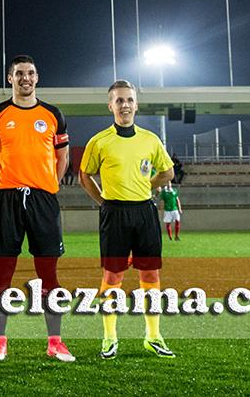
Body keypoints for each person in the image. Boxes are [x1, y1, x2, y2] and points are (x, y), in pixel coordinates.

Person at [0, 55, 74, 363]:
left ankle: (55, 341)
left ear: (37, 78)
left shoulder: (52, 113)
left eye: (31, 73)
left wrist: (49, 185)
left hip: (43, 200)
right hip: (7, 199)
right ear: (10, 78)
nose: (26, 78)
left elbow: (62, 158)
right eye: (19, 73)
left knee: (48, 274)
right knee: (2, 275)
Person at [80, 79, 176, 359]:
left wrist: (148, 186)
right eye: (119, 100)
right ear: (110, 105)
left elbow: (167, 173)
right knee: (112, 276)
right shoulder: (99, 141)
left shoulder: (150, 139)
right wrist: (103, 202)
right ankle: (110, 338)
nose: (125, 105)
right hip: (115, 213)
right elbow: (85, 175)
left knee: (151, 275)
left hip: (145, 211)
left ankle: (153, 336)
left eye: (129, 100)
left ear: (137, 104)